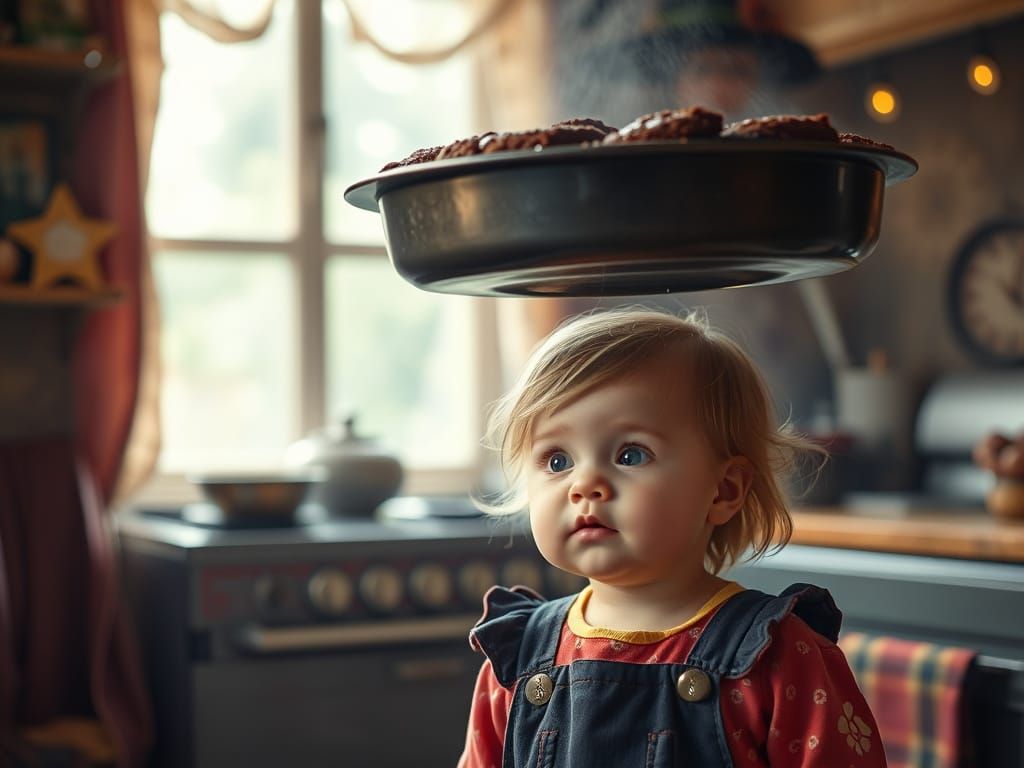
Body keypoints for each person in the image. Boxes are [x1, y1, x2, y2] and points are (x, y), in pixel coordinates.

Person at [458, 307, 885, 767]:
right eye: (558, 460)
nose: (585, 484)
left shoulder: (777, 655)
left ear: (723, 490)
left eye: (630, 454)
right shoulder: (517, 661)